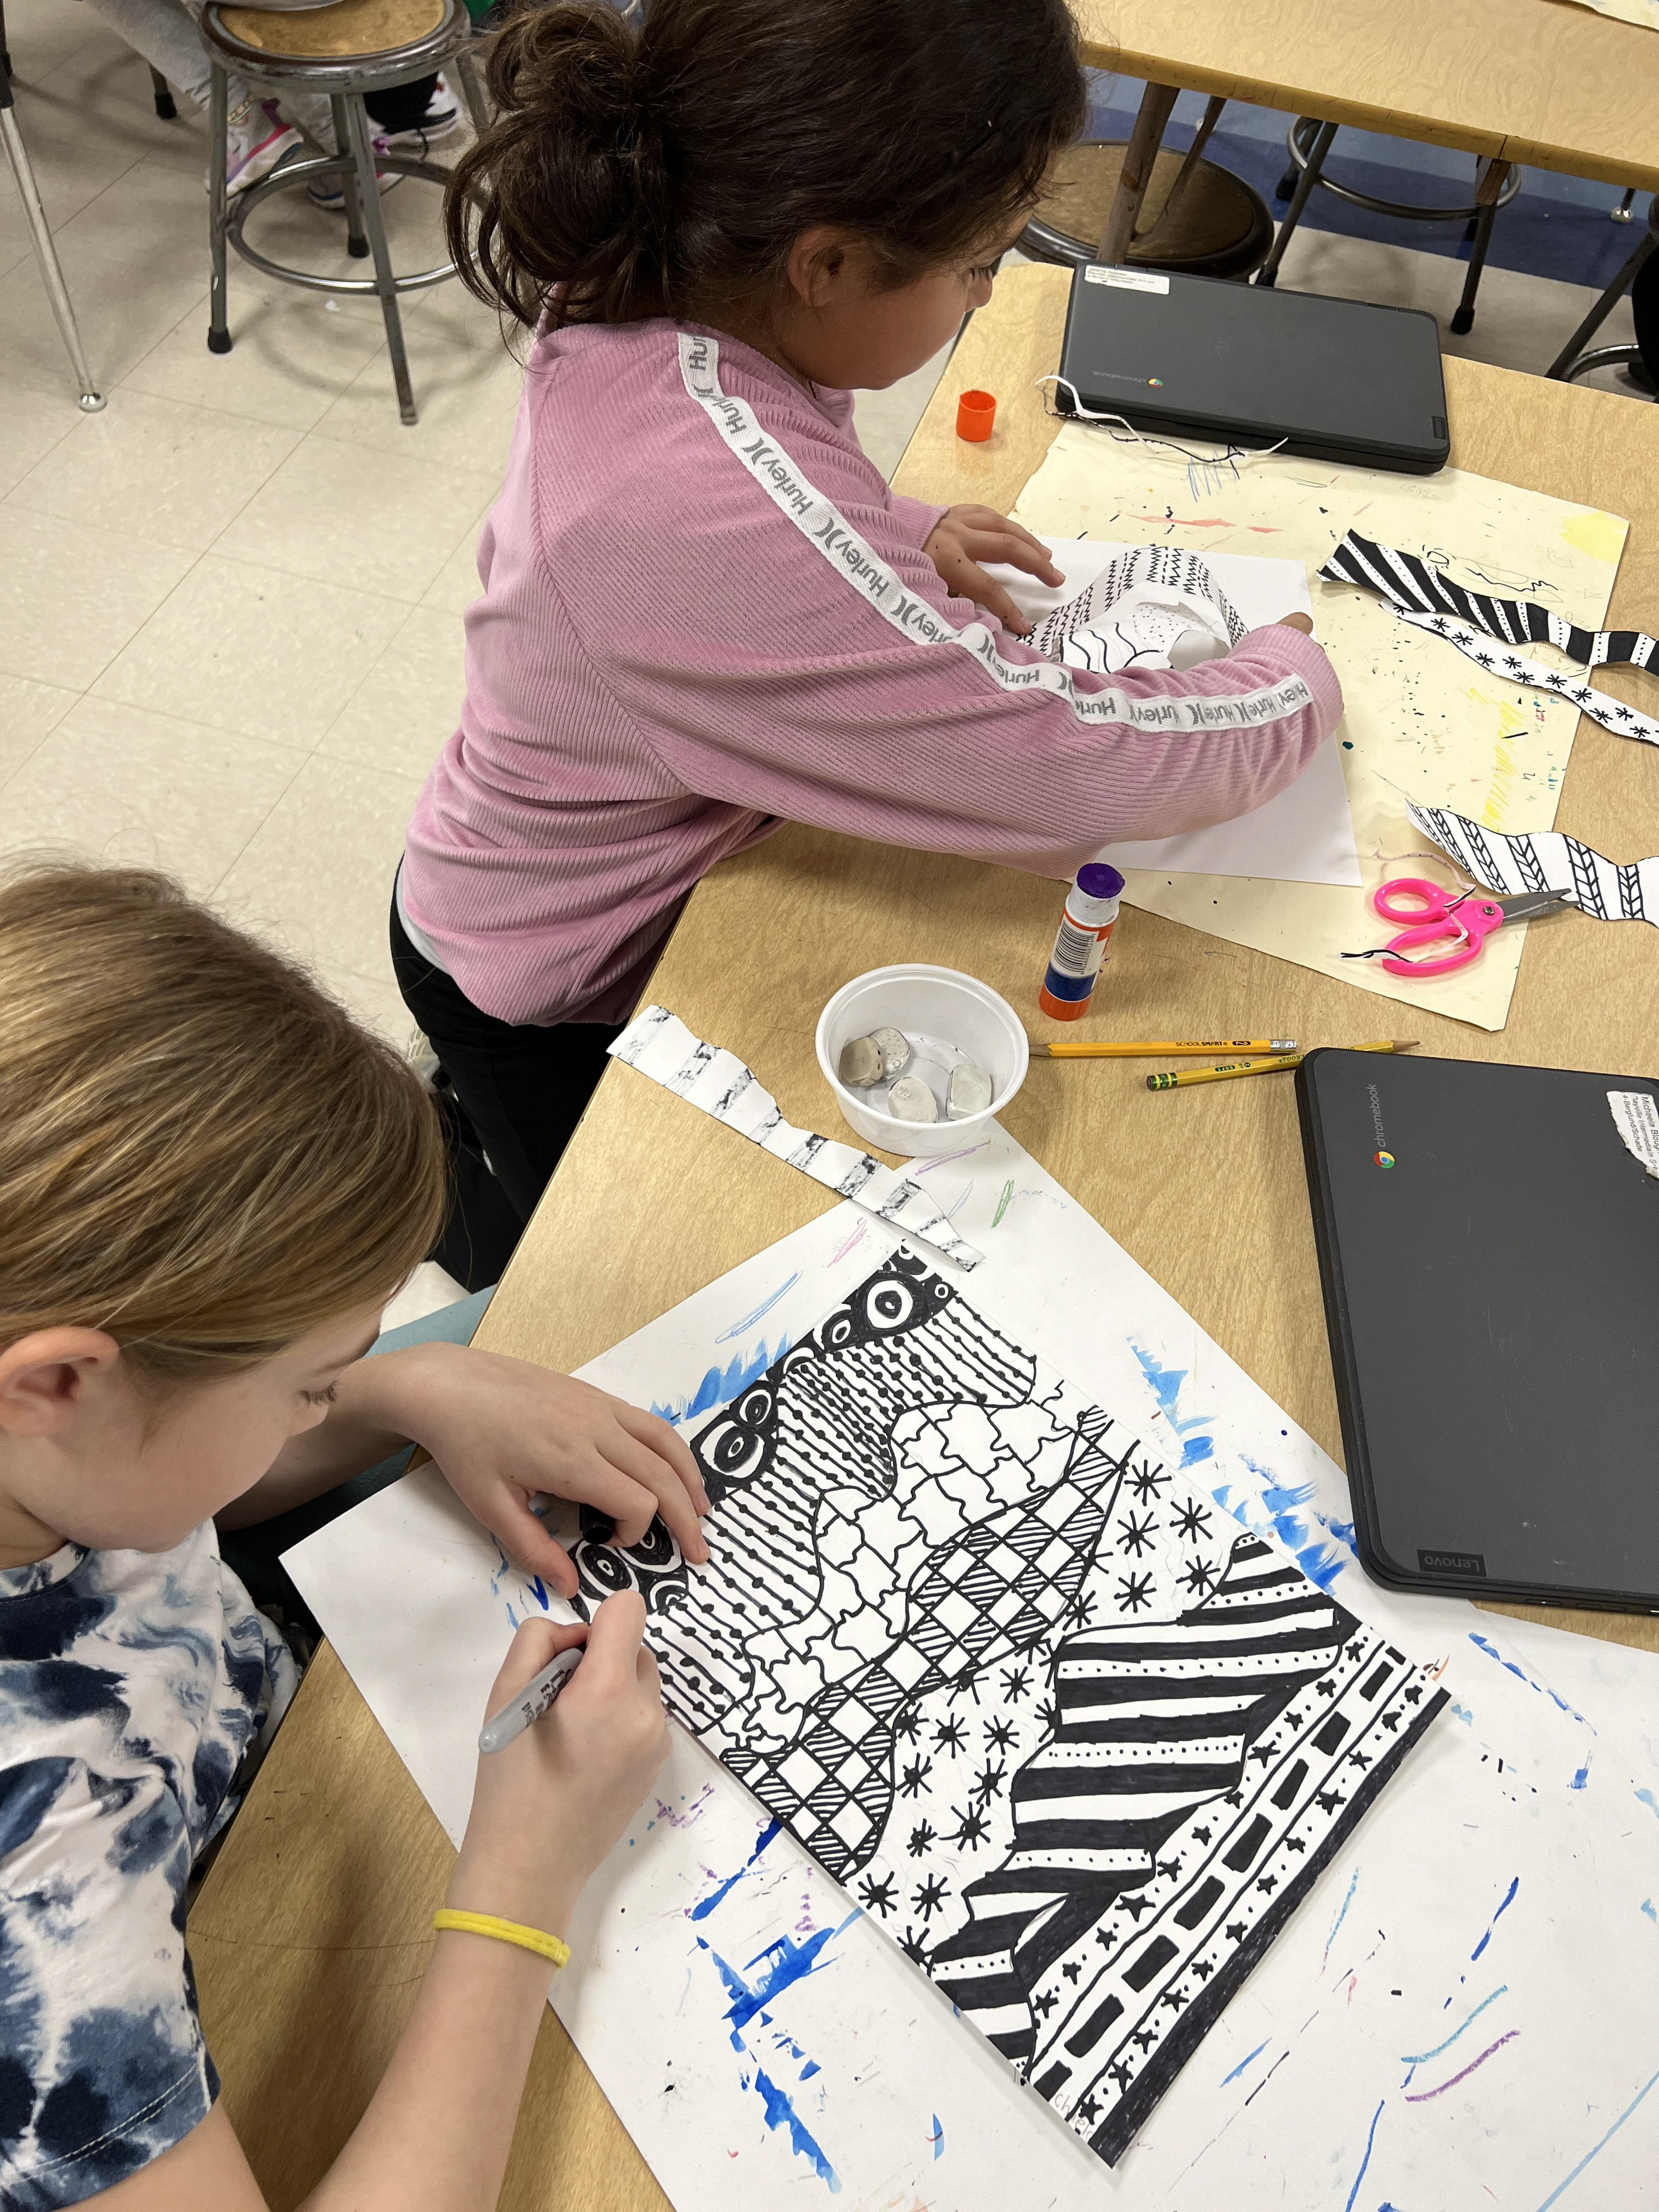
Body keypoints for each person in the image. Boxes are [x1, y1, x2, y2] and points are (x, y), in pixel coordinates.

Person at [392, 0, 1340, 1274]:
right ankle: (458, 1204)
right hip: (542, 977)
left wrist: (888, 532)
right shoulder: (700, 518)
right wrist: (1296, 676)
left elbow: (759, 479)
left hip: (568, 863)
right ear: (827, 264)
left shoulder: (660, 262)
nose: (988, 294)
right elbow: (1079, 762)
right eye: (979, 265)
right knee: (568, 1267)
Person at [0, 860, 713, 2210]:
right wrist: (522, 1881)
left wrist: (399, 1391)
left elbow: (144, 1494)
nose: (324, 1401)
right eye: (308, 1384)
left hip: (279, 1760)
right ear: (62, 1381)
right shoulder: (38, 1874)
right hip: (235, 1953)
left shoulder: (54, 1449)